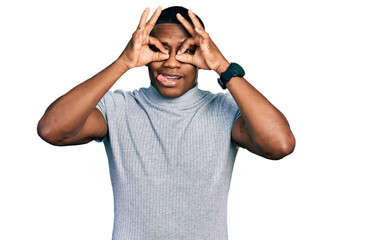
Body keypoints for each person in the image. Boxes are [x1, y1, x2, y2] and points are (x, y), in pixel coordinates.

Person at [37, 6, 295, 240]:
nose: (171, 62)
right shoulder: (119, 108)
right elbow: (52, 129)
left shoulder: (224, 110)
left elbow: (280, 144)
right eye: (158, 49)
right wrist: (123, 62)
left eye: (186, 51)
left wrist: (222, 66)